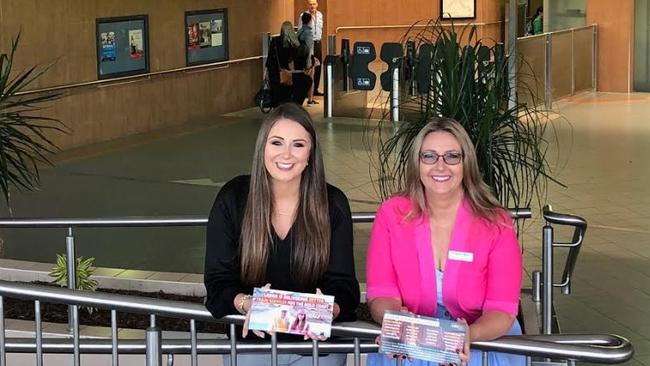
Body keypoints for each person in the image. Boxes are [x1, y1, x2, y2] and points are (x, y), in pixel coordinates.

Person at [204, 103, 360, 366]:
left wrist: (329, 308)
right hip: (251, 347)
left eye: (298, 145)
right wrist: (245, 304)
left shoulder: (332, 203)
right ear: (262, 148)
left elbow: (345, 285)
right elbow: (217, 280)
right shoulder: (233, 198)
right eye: (276, 142)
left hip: (317, 351)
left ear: (311, 153)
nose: (286, 154)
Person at [366, 118, 525, 366]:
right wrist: (396, 320)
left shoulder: (496, 222)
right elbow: (381, 292)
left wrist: (465, 337)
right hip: (413, 343)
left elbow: (501, 309)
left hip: (481, 343)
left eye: (452, 156)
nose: (440, 166)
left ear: (466, 163)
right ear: (416, 164)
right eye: (429, 156)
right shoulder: (391, 214)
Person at [266, 21, 300, 108]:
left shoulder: (275, 40)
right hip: (286, 70)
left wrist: (265, 71)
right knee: (286, 89)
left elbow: (270, 57)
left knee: (275, 90)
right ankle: (285, 108)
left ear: (282, 29)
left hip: (274, 69)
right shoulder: (293, 43)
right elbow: (294, 58)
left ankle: (275, 109)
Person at [298, 0, 324, 97]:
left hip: (318, 42)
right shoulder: (303, 16)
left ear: (317, 5)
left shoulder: (320, 15)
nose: (312, 6)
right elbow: (301, 31)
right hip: (309, 43)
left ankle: (315, 89)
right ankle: (307, 91)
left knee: (318, 65)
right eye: (310, 4)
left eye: (314, 4)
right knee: (309, 66)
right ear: (307, 5)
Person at [297, 12, 318, 106]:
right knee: (311, 79)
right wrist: (311, 62)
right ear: (310, 20)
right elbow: (309, 49)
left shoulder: (299, 31)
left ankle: (301, 98)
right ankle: (310, 99)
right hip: (308, 59)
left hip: (300, 59)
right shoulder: (309, 32)